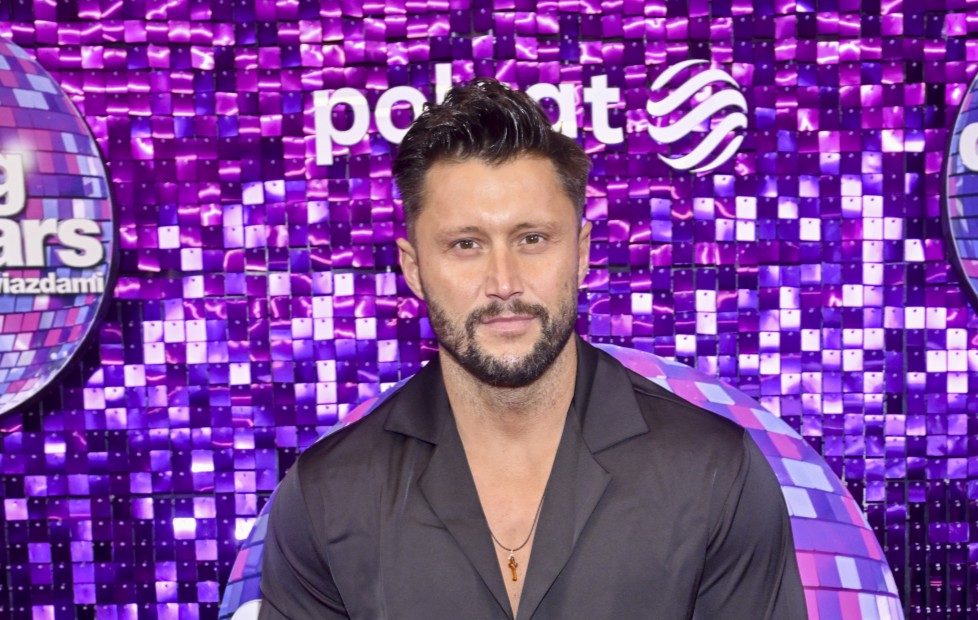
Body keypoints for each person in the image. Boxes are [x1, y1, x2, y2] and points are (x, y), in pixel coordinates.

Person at [258, 78, 806, 619]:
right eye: (466, 244)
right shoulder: (328, 494)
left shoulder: (713, 470)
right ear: (414, 268)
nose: (504, 282)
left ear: (582, 253)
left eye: (532, 239)